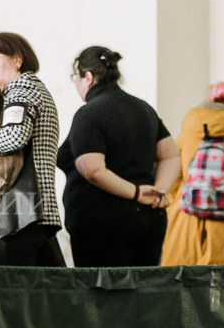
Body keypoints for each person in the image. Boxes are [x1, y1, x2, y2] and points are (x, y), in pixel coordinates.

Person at [57, 46, 180, 267]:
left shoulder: (88, 114)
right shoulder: (144, 109)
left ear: (88, 77)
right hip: (149, 219)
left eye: (75, 77)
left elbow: (92, 169)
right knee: (142, 294)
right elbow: (170, 155)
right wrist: (159, 191)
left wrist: (135, 193)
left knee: (104, 297)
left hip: (101, 223)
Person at [0, 32, 62, 265]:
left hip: (17, 214)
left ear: (17, 60)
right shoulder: (22, 91)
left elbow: (14, 135)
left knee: (4, 294)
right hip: (29, 213)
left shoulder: (21, 88)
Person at [161, 82, 224, 265]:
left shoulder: (189, 128)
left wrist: (172, 210)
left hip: (186, 222)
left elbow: (174, 177)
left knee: (183, 287)